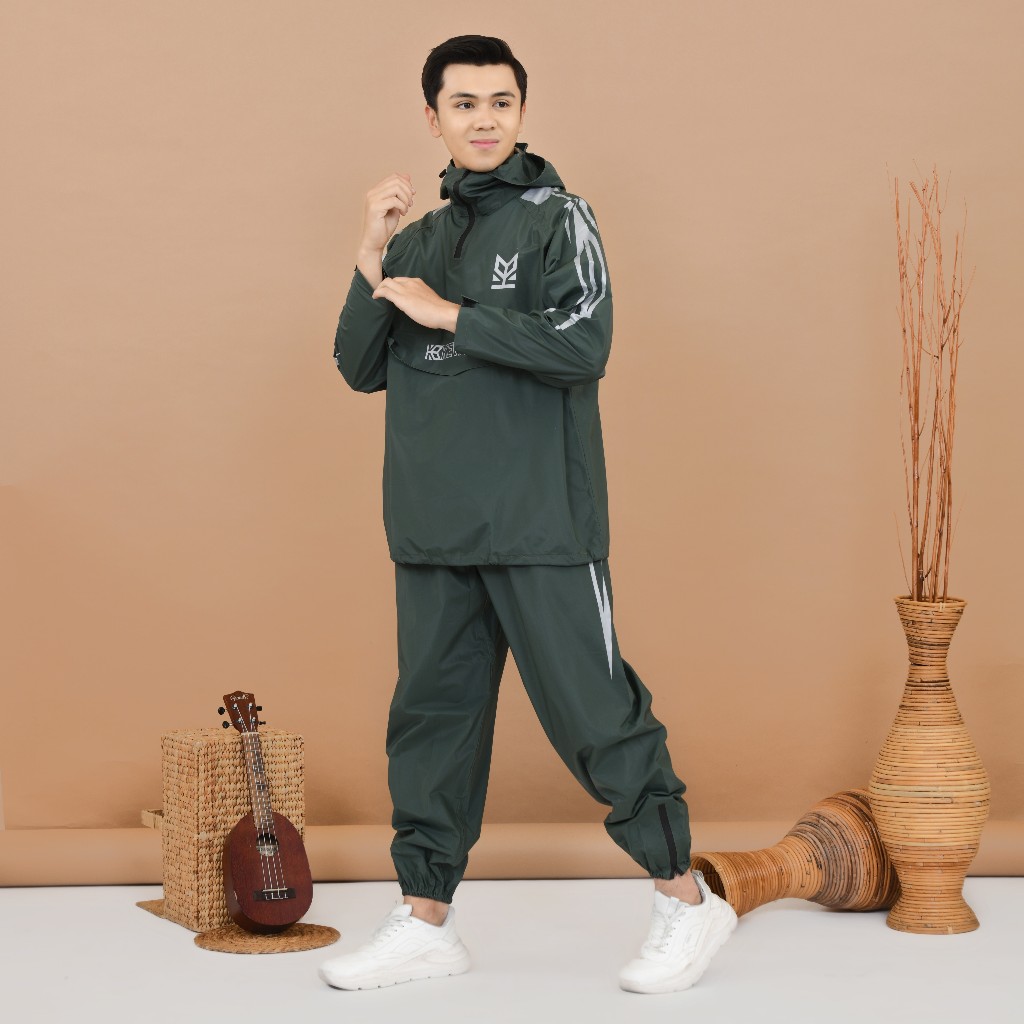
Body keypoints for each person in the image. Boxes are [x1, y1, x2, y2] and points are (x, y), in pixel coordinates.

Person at [319, 34, 736, 994]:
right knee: (431, 726)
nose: (483, 119)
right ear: (433, 118)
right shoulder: (415, 241)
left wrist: (451, 316)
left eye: (499, 102)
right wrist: (371, 253)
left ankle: (686, 901)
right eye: (463, 104)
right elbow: (358, 366)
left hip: (541, 519)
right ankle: (426, 920)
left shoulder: (560, 218)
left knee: (596, 713)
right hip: (433, 527)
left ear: (520, 112)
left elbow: (585, 343)